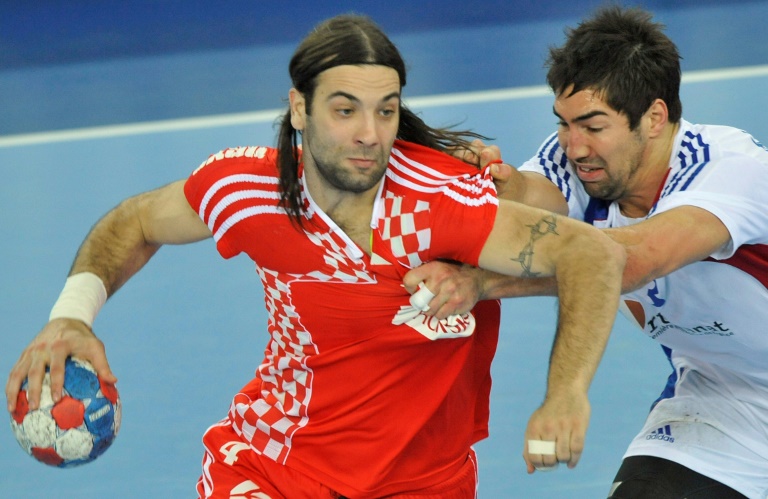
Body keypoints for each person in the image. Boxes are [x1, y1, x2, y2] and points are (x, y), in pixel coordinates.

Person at [5, 14, 625, 499]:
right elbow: (136, 222)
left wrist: (565, 391)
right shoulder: (249, 189)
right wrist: (72, 314)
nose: (369, 134)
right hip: (277, 462)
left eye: (386, 110)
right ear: (299, 108)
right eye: (344, 109)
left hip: (424, 479)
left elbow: (589, 255)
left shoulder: (440, 203)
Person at [409, 5, 768, 498]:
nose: (574, 147)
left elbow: (631, 259)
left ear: (655, 118)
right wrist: (490, 189)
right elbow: (536, 203)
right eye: (563, 123)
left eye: (594, 126)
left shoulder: (727, 170)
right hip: (722, 401)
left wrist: (482, 283)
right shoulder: (580, 163)